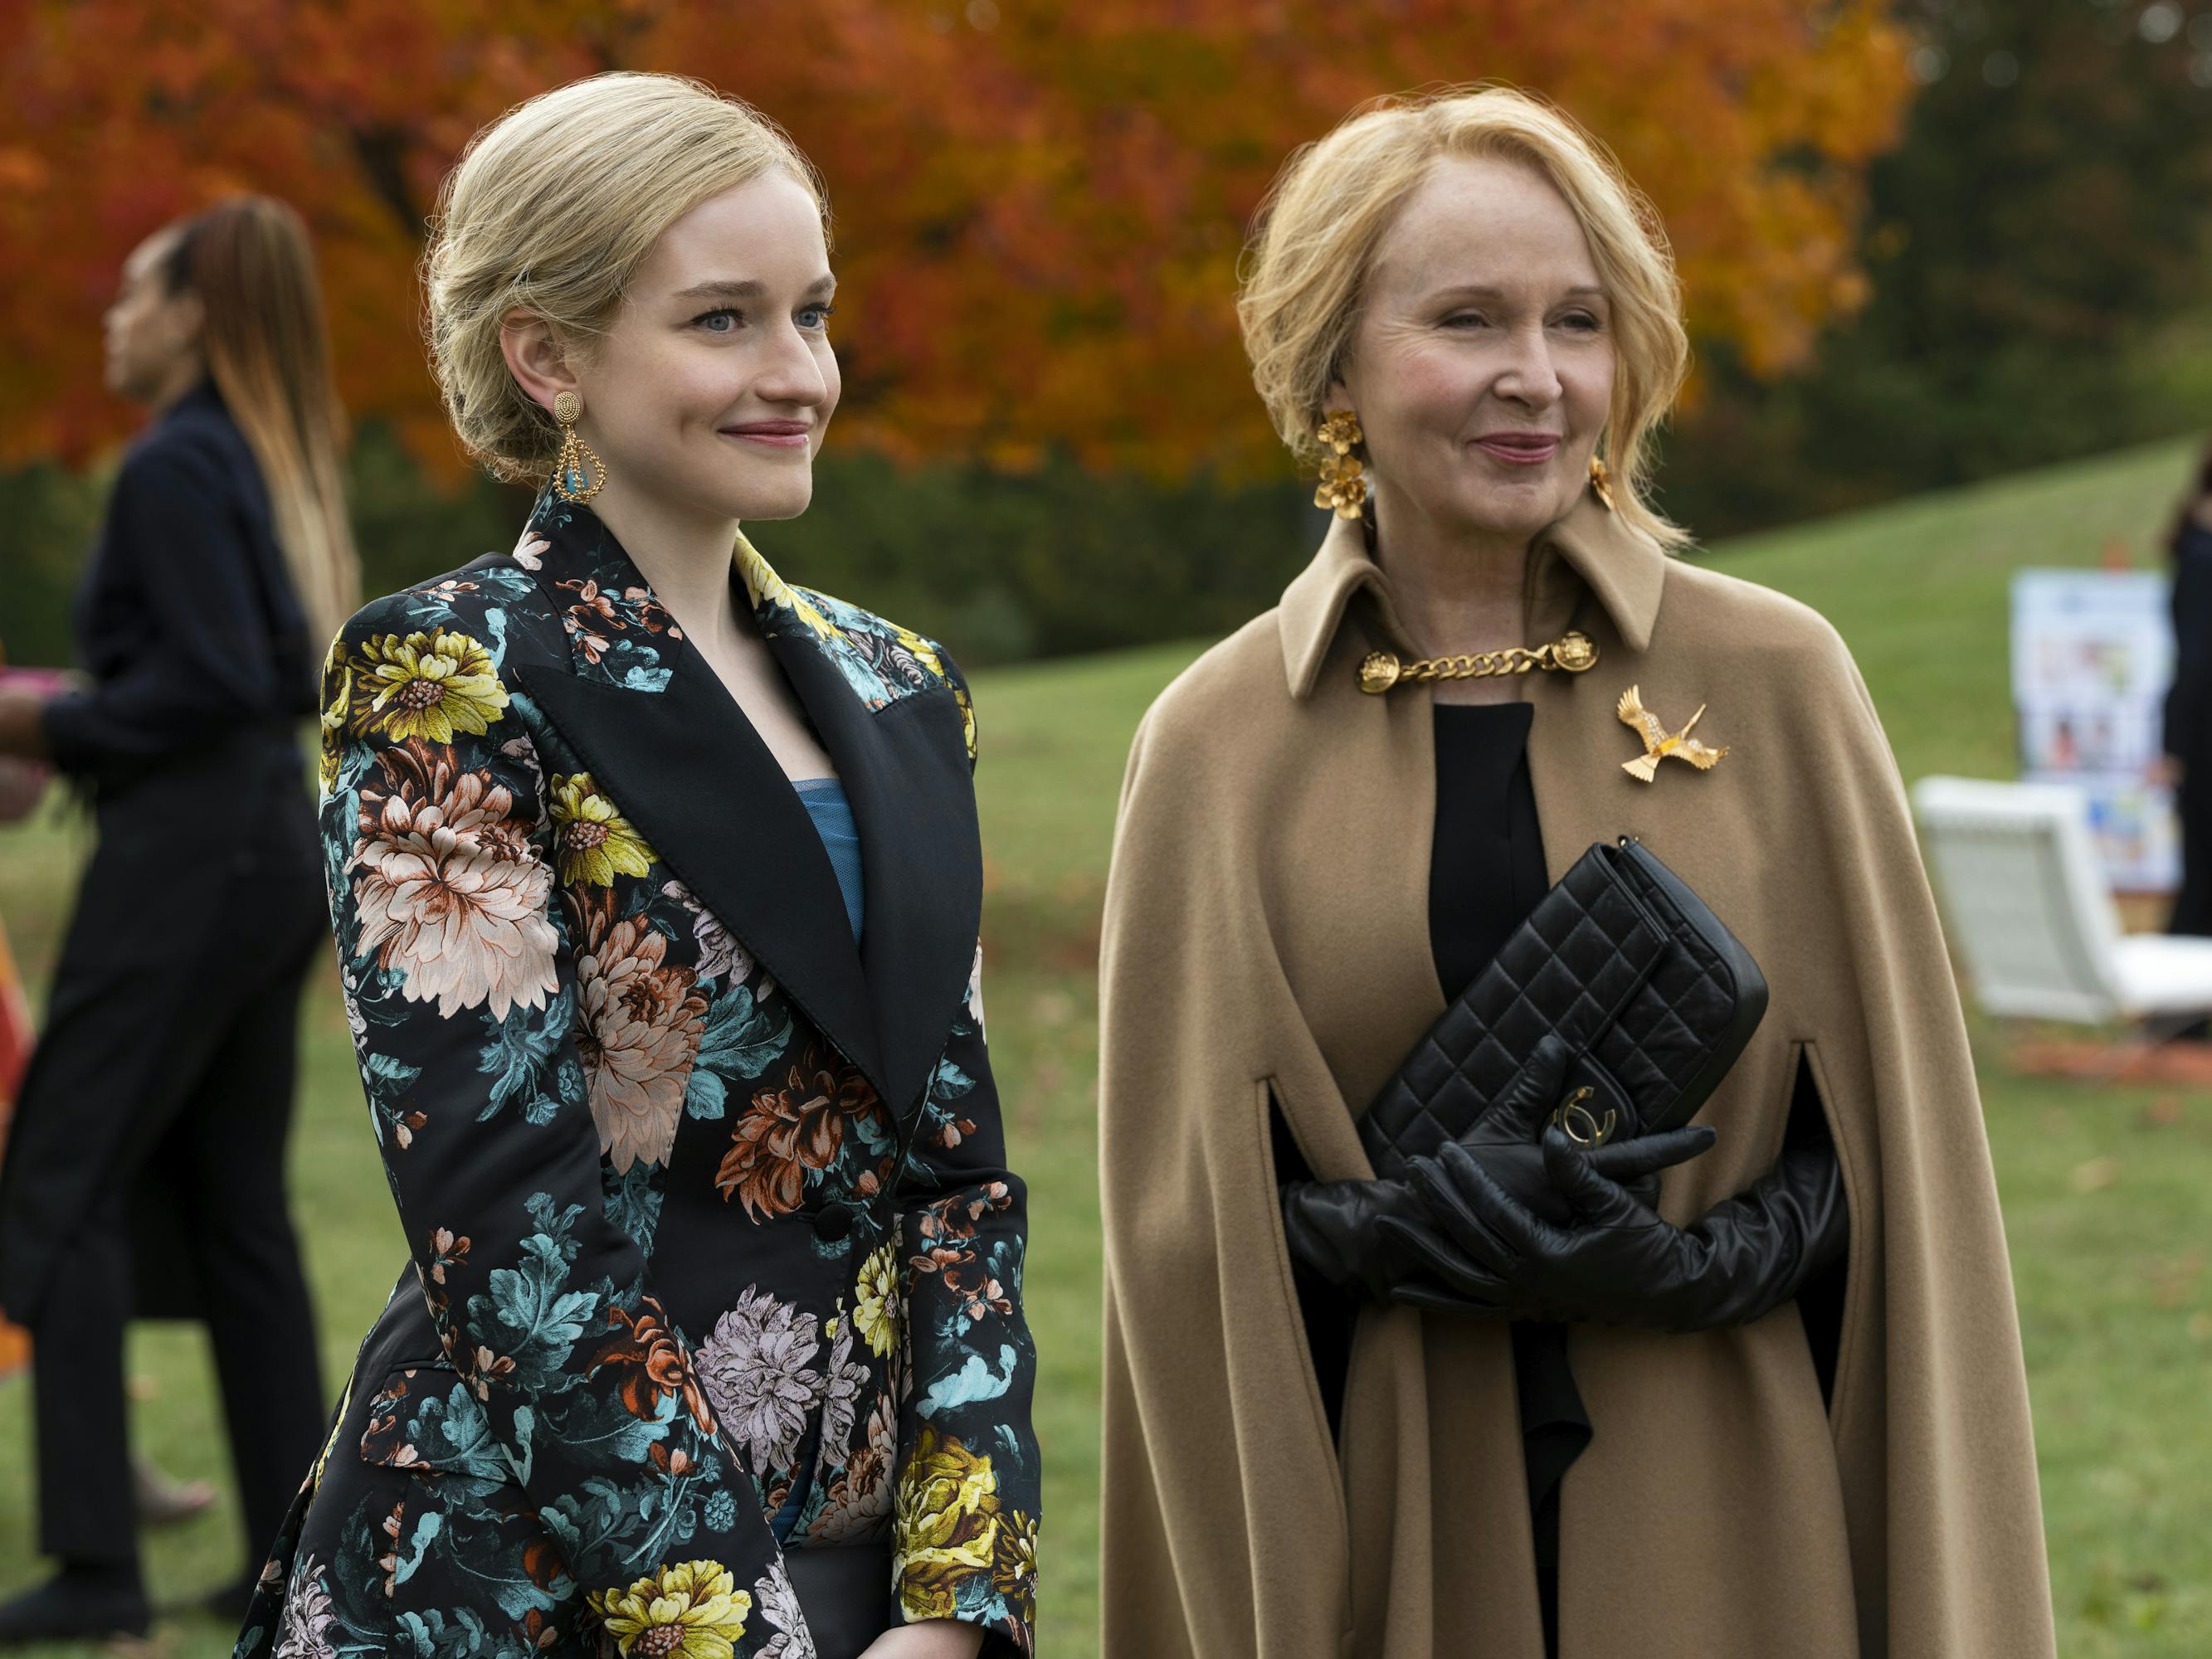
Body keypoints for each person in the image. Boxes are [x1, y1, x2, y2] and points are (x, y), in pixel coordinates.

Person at [1097, 86, 2054, 1659]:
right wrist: (1374, 1231)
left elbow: (1903, 1162)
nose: (1533, 380)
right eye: (1465, 320)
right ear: (1333, 361)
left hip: (1736, 1502)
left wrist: (1700, 1259)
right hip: (1394, 1510)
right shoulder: (1216, 742)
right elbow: (1178, 1231)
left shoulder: (1777, 680)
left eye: (1578, 323)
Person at [231, 74, 1038, 1659]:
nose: (796, 370)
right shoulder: (443, 677)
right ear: (549, 355)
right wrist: (732, 1634)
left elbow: (960, 1186)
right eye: (723, 321)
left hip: (875, 1582)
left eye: (811, 313)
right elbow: (510, 1224)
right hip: (531, 1577)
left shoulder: (900, 684)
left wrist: (959, 1604)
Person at [0, 195, 348, 1644]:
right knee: (235, 1212)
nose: (111, 318)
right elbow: (256, 679)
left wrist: (43, 717)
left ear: (194, 310)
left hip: (187, 866)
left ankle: (96, 1571)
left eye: (135, 294)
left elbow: (206, 683)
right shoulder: (263, 462)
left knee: (56, 1190)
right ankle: (300, 1555)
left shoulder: (176, 465)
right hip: (266, 856)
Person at [2162, 442, 2212, 937]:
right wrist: (2174, 747)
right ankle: (2177, 1015)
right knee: (2199, 890)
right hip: (2203, 747)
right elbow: (2195, 663)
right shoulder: (2203, 558)